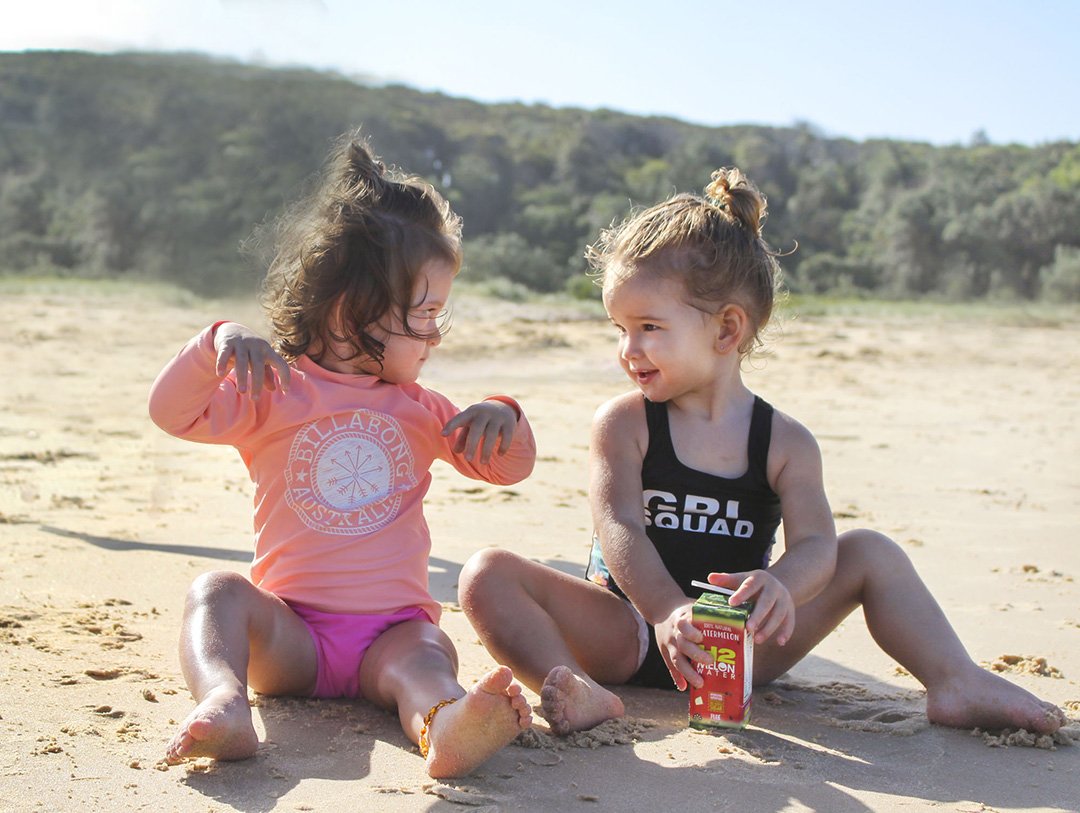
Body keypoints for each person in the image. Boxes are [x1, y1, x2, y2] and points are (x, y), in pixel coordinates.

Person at [458, 168, 1065, 739]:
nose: (628, 348)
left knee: (871, 553)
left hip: (741, 645)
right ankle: (579, 687)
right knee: (486, 574)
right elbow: (619, 525)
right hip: (627, 632)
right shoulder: (625, 422)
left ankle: (954, 680)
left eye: (647, 326)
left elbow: (817, 547)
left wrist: (781, 585)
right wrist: (668, 612)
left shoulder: (785, 441)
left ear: (726, 330)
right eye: (619, 328)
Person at [148, 134, 535, 778]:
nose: (438, 333)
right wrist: (218, 338)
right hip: (291, 634)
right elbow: (172, 412)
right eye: (427, 312)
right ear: (352, 309)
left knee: (426, 660)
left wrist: (504, 413)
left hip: (393, 635)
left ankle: (445, 724)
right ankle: (223, 700)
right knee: (214, 592)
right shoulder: (271, 390)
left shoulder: (422, 406)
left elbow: (508, 467)